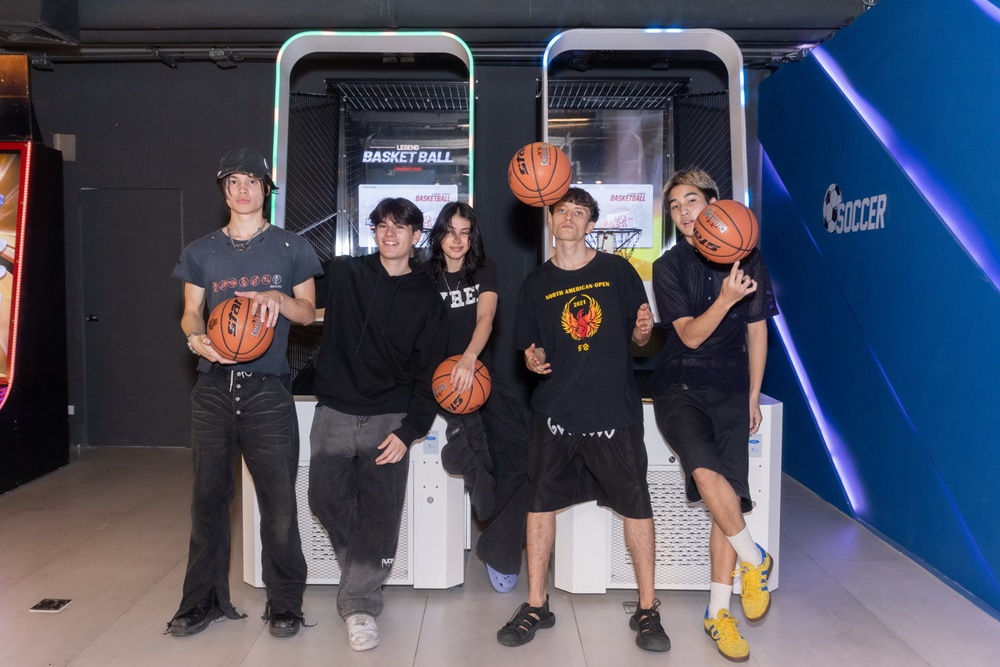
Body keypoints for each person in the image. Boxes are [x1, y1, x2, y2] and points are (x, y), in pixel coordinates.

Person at [497, 187, 670, 652]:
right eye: (561, 211)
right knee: (539, 506)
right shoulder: (536, 283)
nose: (569, 218)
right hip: (555, 413)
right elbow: (530, 349)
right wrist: (533, 360)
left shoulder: (617, 271)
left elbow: (640, 335)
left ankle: (648, 609)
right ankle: (537, 604)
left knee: (637, 507)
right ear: (551, 221)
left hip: (614, 412)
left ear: (591, 225)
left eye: (578, 212)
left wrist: (642, 330)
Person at [167, 147, 321, 638]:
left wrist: (279, 298)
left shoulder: (292, 247)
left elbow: (308, 312)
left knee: (279, 507)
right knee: (207, 504)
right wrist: (195, 338)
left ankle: (285, 604)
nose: (242, 189)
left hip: (267, 390)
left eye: (252, 181)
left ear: (266, 189)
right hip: (213, 388)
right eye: (233, 181)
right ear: (223, 190)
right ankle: (202, 602)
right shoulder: (200, 251)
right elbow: (191, 311)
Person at [308, 197, 448, 652]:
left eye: (400, 227)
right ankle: (364, 568)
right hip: (334, 410)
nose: (390, 233)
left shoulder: (427, 298)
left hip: (390, 417)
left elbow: (431, 374)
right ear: (374, 231)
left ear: (415, 236)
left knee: (382, 512)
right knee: (323, 499)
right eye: (383, 225)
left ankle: (360, 606)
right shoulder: (344, 272)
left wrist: (410, 431)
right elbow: (299, 294)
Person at [651, 169, 779, 662]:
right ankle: (755, 558)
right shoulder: (668, 266)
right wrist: (725, 297)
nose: (683, 211)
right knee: (706, 475)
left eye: (691, 200)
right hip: (679, 384)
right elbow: (689, 336)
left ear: (713, 204)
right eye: (675, 205)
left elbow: (757, 329)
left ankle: (718, 613)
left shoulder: (749, 256)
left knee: (730, 500)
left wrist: (753, 394)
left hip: (730, 386)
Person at [422, 202, 530, 593]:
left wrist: (469, 358)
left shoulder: (484, 269)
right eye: (450, 231)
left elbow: (486, 318)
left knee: (523, 453)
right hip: (439, 382)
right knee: (478, 455)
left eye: (465, 232)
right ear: (439, 234)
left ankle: (498, 548)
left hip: (478, 375)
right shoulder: (423, 274)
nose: (457, 240)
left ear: (473, 238)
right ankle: (472, 470)